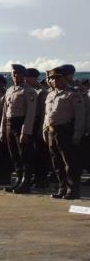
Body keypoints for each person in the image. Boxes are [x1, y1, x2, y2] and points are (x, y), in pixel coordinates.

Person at [44, 65, 85, 200]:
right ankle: (62, 188)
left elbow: (80, 116)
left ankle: (72, 190)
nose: (54, 81)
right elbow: (47, 115)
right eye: (52, 78)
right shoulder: (50, 94)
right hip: (52, 131)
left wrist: (77, 134)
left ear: (64, 79)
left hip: (66, 131)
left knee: (69, 163)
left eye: (57, 78)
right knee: (56, 163)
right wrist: (45, 130)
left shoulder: (73, 94)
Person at [0, 64, 38, 193]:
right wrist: (2, 130)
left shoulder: (29, 91)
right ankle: (19, 179)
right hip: (10, 125)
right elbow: (5, 112)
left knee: (25, 155)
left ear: (24, 75)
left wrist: (25, 131)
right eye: (13, 73)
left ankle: (26, 182)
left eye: (18, 73)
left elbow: (31, 113)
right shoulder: (10, 90)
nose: (15, 75)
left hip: (21, 124)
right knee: (15, 155)